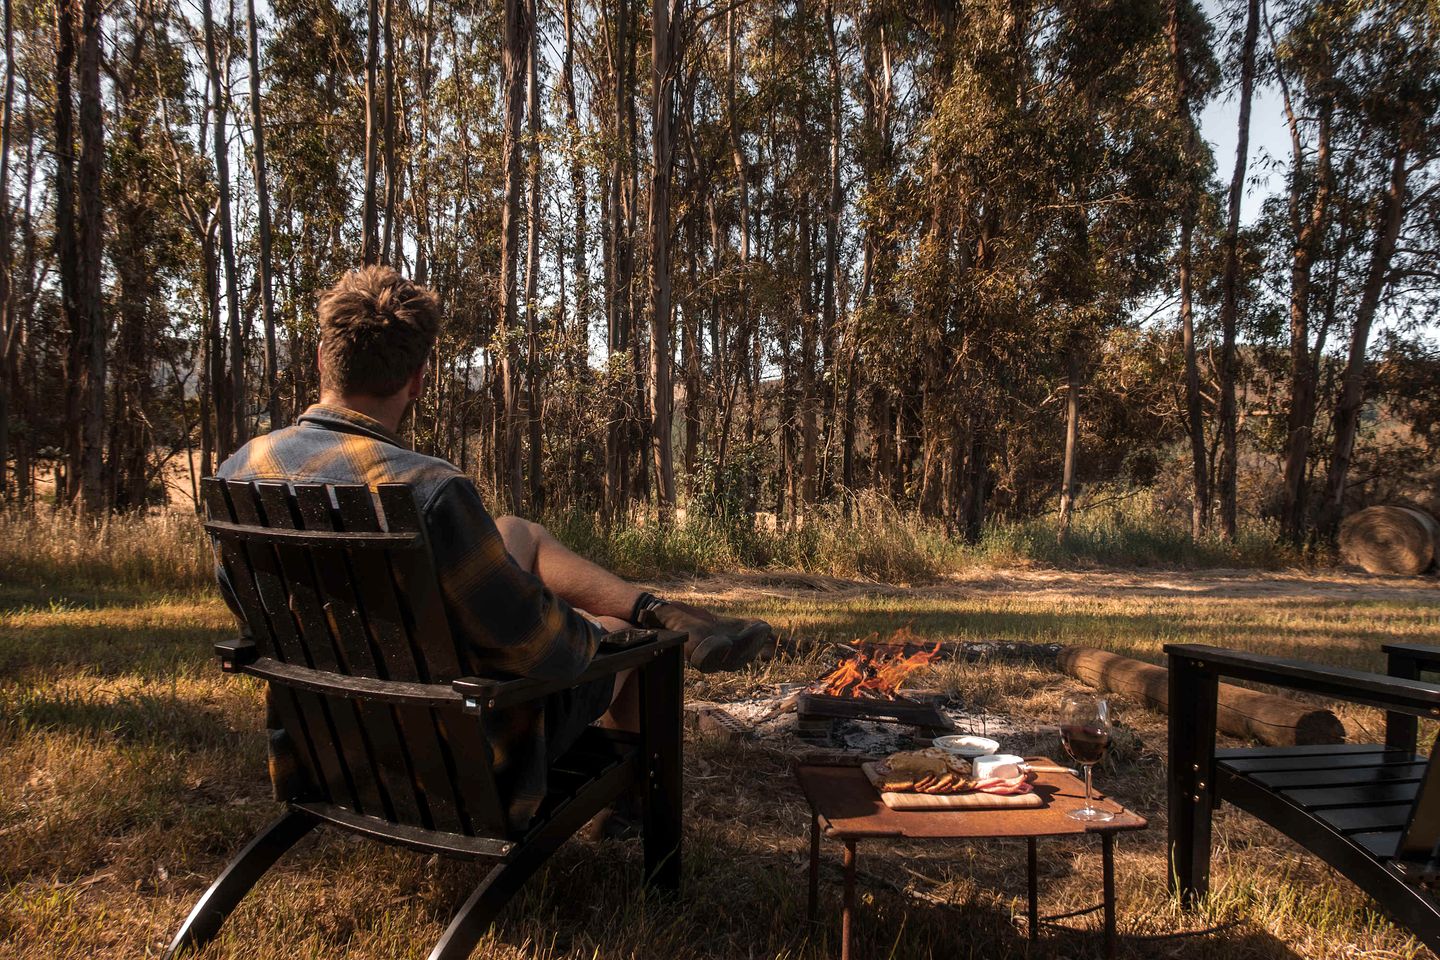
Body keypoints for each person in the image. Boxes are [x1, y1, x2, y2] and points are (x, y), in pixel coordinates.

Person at [214, 264, 771, 827]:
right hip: (457, 757)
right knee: (630, 640)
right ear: (418, 379)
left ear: (321, 360)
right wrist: (593, 628)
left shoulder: (242, 470)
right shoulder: (429, 490)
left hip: (325, 749)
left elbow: (251, 610)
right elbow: (540, 648)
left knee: (517, 530)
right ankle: (627, 806)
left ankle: (662, 609)